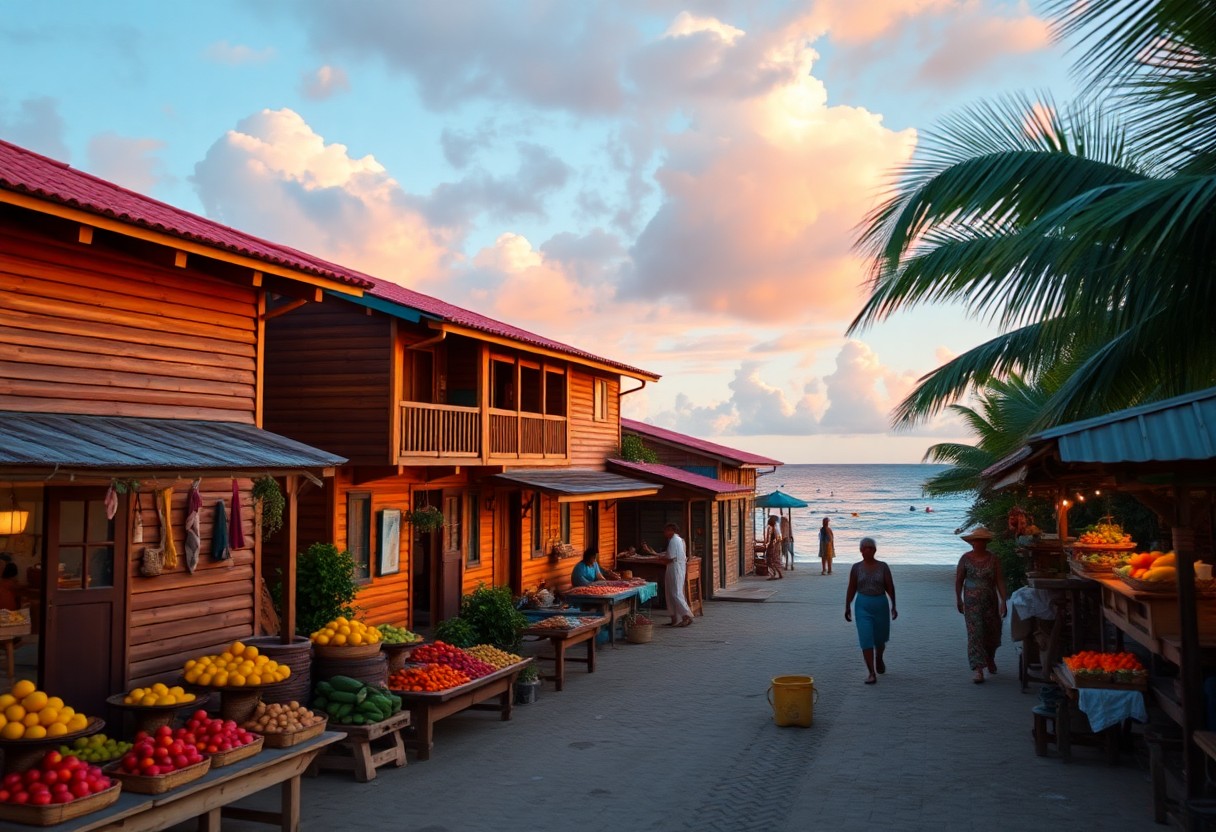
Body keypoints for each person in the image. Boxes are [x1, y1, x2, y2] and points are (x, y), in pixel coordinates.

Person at [955, 526, 1007, 684]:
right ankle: (978, 669)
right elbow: (959, 581)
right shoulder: (965, 559)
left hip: (990, 601)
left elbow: (999, 581)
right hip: (971, 603)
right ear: (971, 543)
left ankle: (990, 658)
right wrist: (958, 599)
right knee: (975, 634)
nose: (979, 543)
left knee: (992, 632)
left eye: (982, 541)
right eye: (977, 540)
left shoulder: (993, 559)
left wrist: (1004, 601)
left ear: (986, 542)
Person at [844, 537, 897, 684]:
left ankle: (879, 657)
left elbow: (890, 587)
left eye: (871, 548)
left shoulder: (883, 566)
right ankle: (871, 672)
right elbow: (852, 587)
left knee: (880, 639)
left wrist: (894, 605)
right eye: (865, 548)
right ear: (860, 551)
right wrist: (847, 606)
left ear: (875, 550)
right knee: (866, 638)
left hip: (880, 604)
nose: (868, 550)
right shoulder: (856, 568)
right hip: (863, 604)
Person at [641, 524, 694, 627]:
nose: (664, 533)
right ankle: (674, 618)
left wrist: (656, 558)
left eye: (666, 531)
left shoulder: (675, 540)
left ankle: (686, 616)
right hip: (672, 568)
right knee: (670, 593)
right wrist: (653, 554)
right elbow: (668, 554)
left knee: (676, 593)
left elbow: (670, 558)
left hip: (676, 568)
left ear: (671, 530)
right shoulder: (675, 540)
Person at [762, 515, 783, 580]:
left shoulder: (774, 528)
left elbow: (776, 539)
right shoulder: (776, 527)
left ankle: (773, 574)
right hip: (775, 546)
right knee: (775, 559)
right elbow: (779, 538)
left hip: (772, 546)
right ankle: (778, 574)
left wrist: (772, 544)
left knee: (770, 559)